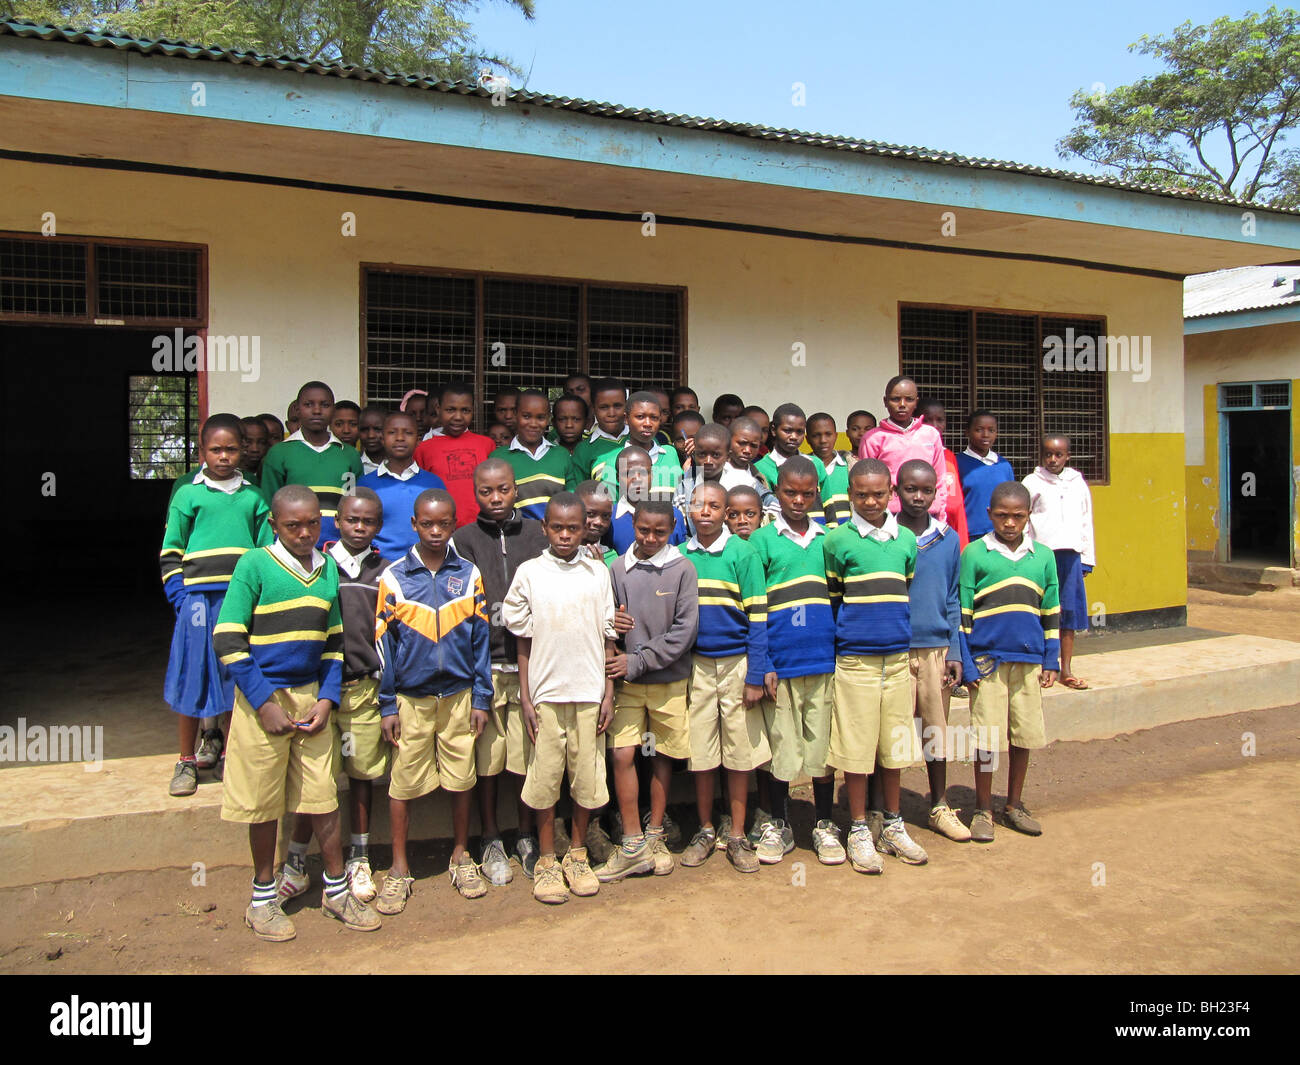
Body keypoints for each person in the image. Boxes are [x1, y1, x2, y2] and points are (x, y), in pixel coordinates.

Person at [214, 485, 380, 940]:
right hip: (261, 701)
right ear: (273, 523)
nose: (305, 533)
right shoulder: (254, 565)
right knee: (263, 803)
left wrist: (327, 698)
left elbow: (333, 641)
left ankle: (336, 889)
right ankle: (262, 899)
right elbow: (227, 638)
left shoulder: (326, 567)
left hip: (312, 700)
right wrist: (264, 702)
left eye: (312, 524)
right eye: (293, 526)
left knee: (322, 796)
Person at [373, 489, 494, 910]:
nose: (437, 531)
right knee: (403, 783)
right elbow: (383, 647)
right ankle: (399, 867)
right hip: (411, 698)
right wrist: (387, 703)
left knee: (462, 779)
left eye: (445, 523)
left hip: (460, 695)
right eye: (428, 524)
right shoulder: (393, 578)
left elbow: (480, 640)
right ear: (414, 524)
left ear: (454, 523)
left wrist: (482, 696)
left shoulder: (470, 574)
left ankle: (461, 856)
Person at [277, 489, 391, 906]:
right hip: (317, 689)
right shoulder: (318, 566)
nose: (359, 528)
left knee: (362, 773)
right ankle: (294, 862)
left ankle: (359, 855)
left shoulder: (386, 570)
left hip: (363, 689)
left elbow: (389, 632)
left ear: (379, 526)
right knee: (316, 781)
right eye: (352, 520)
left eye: (369, 522)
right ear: (337, 521)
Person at [502, 492, 616, 905]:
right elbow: (522, 638)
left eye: (574, 528)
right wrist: (528, 698)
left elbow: (608, 635)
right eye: (557, 528)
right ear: (545, 528)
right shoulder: (530, 572)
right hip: (547, 695)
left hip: (589, 693)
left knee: (586, 779)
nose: (565, 535)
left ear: (587, 528)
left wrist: (609, 691)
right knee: (546, 779)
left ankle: (578, 853)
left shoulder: (597, 573)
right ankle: (548, 859)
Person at [824, 458, 927, 874]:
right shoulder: (837, 543)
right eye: (861, 495)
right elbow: (835, 597)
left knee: (894, 746)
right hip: (856, 661)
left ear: (892, 494)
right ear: (850, 495)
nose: (870, 501)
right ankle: (860, 827)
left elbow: (906, 586)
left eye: (878, 494)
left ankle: (893, 823)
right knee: (856, 747)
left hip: (898, 661)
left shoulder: (905, 540)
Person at [160, 414, 272, 796]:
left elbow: (264, 553)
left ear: (243, 450)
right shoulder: (188, 495)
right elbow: (171, 551)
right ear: (201, 450)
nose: (224, 457)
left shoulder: (255, 496)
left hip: (238, 600)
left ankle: (228, 754)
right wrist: (180, 597)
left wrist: (257, 599)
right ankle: (186, 760)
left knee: (233, 676)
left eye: (231, 449)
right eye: (215, 449)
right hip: (196, 601)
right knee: (194, 674)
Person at [452, 458, 550, 881]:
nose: (495, 499)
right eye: (486, 492)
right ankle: (491, 836)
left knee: (527, 756)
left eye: (504, 490)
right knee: (488, 759)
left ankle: (526, 833)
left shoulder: (537, 533)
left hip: (534, 663)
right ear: (475, 494)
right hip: (486, 664)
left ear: (516, 490)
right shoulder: (463, 539)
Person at [748, 457, 844, 865]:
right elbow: (755, 607)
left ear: (818, 493)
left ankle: (824, 823)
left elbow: (841, 600)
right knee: (781, 747)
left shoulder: (831, 540)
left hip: (823, 661)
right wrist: (764, 660)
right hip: (781, 665)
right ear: (777, 492)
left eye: (807, 493)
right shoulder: (762, 541)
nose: (799, 500)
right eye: (790, 492)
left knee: (822, 746)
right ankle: (779, 822)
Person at [597, 499, 699, 882]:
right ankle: (632, 841)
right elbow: (607, 620)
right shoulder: (618, 568)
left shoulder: (682, 569)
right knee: (623, 753)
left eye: (660, 532)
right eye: (643, 531)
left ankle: (655, 832)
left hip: (665, 683)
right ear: (633, 527)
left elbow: (684, 632)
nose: (651, 538)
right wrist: (614, 623)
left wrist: (637, 661)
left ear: (673, 528)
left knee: (658, 753)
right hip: (627, 686)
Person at [959, 481, 1060, 842]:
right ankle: (983, 808)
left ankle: (1014, 804)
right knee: (986, 737)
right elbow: (964, 613)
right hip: (987, 663)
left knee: (1024, 735)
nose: (1010, 523)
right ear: (989, 515)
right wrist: (967, 662)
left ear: (1028, 516)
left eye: (1018, 516)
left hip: (1029, 660)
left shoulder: (1043, 556)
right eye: (1002, 515)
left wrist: (1052, 659)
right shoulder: (974, 553)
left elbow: (1050, 610)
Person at [677, 481, 769, 874]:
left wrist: (756, 673)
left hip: (736, 666)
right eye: (699, 505)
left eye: (716, 506)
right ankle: (705, 828)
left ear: (726, 512)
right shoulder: (680, 556)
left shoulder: (742, 553)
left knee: (739, 753)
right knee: (701, 753)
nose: (706, 512)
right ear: (688, 511)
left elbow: (759, 616)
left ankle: (736, 833)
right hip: (695, 666)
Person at [894, 460, 969, 842]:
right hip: (892, 651)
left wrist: (955, 649)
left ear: (936, 491)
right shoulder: (886, 536)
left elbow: (953, 597)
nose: (918, 497)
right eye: (910, 489)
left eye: (926, 490)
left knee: (935, 732)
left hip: (936, 649)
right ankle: (883, 811)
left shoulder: (948, 539)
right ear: (897, 491)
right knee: (888, 734)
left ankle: (939, 804)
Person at [1022, 434, 1095, 691]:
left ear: (1068, 456)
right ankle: (1043, 665)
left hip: (1071, 556)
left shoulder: (1077, 482)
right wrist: (1026, 553)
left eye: (1059, 455)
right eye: (1048, 455)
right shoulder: (1032, 482)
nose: (1053, 460)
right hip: (1042, 556)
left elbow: (1086, 519)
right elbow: (1024, 521)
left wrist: (1087, 557)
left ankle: (1066, 669)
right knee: (1042, 611)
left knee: (1068, 615)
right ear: (1041, 456)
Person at [261, 381, 364, 547]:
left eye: (325, 405)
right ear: (298, 409)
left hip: (338, 546)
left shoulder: (348, 455)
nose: (317, 411)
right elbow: (269, 505)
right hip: (292, 545)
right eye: (308, 404)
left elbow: (352, 500)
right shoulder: (279, 453)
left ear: (333, 410)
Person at [358, 411, 447, 562]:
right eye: (392, 432)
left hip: (425, 567)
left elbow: (445, 526)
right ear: (383, 439)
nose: (400, 438)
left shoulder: (433, 483)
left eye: (408, 433)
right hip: (379, 567)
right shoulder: (365, 484)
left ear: (418, 440)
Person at [858, 376, 947, 520]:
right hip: (889, 516)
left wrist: (941, 514)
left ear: (916, 402)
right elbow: (867, 482)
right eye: (895, 399)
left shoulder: (930, 435)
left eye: (909, 399)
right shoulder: (873, 438)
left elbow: (940, 478)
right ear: (885, 402)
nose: (902, 404)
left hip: (927, 513)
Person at [413, 382, 494, 527]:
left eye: (465, 410)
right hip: (441, 531)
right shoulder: (424, 449)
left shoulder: (486, 445)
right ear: (438, 409)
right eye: (450, 410)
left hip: (483, 528)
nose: (458, 417)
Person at [492, 389, 579, 520]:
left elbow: (571, 500)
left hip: (556, 535)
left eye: (540, 418)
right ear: (516, 415)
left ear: (548, 419)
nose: (533, 424)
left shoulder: (562, 455)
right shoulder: (498, 458)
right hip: (516, 536)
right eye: (526, 416)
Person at [596, 390, 682, 503]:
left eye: (654, 418)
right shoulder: (612, 460)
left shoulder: (670, 453)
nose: (647, 423)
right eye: (640, 416)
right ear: (626, 419)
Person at [755, 403, 827, 524]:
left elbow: (828, 505)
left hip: (818, 534)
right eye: (787, 430)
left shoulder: (816, 464)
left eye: (799, 432)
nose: (794, 437)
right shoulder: (760, 468)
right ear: (773, 429)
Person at [607, 447, 687, 555]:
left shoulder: (673, 515)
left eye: (644, 473)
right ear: (617, 478)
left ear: (652, 475)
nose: (637, 479)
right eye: (628, 474)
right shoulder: (608, 520)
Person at [955, 410, 1014, 539]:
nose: (985, 435)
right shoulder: (957, 463)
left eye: (991, 430)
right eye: (979, 430)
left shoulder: (1003, 465)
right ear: (967, 432)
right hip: (971, 534)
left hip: (1001, 533)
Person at [918, 399, 969, 548]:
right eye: (927, 420)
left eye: (940, 420)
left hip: (949, 533)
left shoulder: (949, 456)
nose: (935, 425)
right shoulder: (912, 454)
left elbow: (956, 504)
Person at [674, 421, 729, 532]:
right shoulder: (685, 488)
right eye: (702, 454)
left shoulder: (740, 482)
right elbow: (682, 530)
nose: (708, 461)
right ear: (694, 454)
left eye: (716, 455)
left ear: (728, 456)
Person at [570, 378, 629, 480]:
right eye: (604, 407)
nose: (611, 413)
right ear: (593, 409)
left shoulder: (643, 440)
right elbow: (579, 491)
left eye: (618, 406)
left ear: (627, 406)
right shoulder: (584, 450)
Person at [721, 416, 778, 513]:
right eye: (742, 443)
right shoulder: (714, 471)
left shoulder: (757, 477)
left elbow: (771, 504)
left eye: (754, 446)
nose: (747, 450)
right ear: (728, 441)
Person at [806, 412, 851, 527]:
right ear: (807, 439)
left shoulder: (850, 467)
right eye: (816, 435)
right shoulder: (803, 469)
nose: (823, 440)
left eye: (828, 434)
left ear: (836, 436)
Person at [576, 479, 617, 566]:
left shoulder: (612, 559)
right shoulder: (557, 554)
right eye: (590, 514)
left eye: (606, 516)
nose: (598, 522)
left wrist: (602, 571)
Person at [238, 416, 270, 486]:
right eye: (248, 442)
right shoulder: (229, 476)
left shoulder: (270, 475)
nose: (255, 449)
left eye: (262, 442)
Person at [358, 405, 387, 475]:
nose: (371, 435)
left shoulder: (399, 465)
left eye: (377, 429)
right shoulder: (356, 464)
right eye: (364, 429)